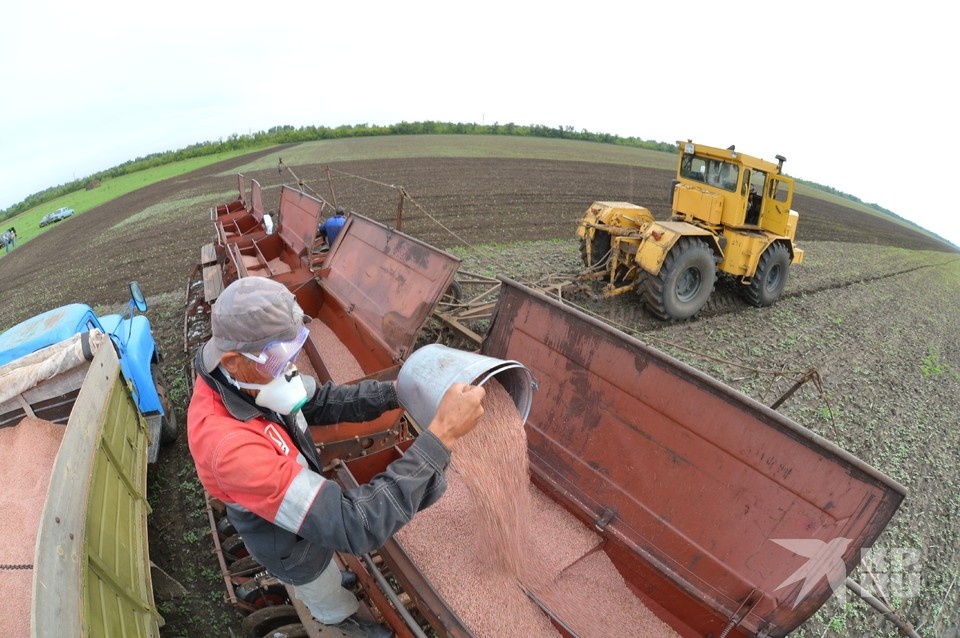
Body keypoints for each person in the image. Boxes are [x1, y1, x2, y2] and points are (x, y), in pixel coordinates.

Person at [187, 277, 485, 637]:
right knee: (319, 585)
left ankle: (331, 581)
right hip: (287, 547)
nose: (292, 365)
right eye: (283, 357)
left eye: (296, 346)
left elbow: (324, 401)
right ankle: (342, 618)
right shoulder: (230, 449)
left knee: (324, 562)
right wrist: (441, 438)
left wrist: (398, 392)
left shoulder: (255, 379)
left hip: (300, 516)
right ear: (233, 361)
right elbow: (353, 525)